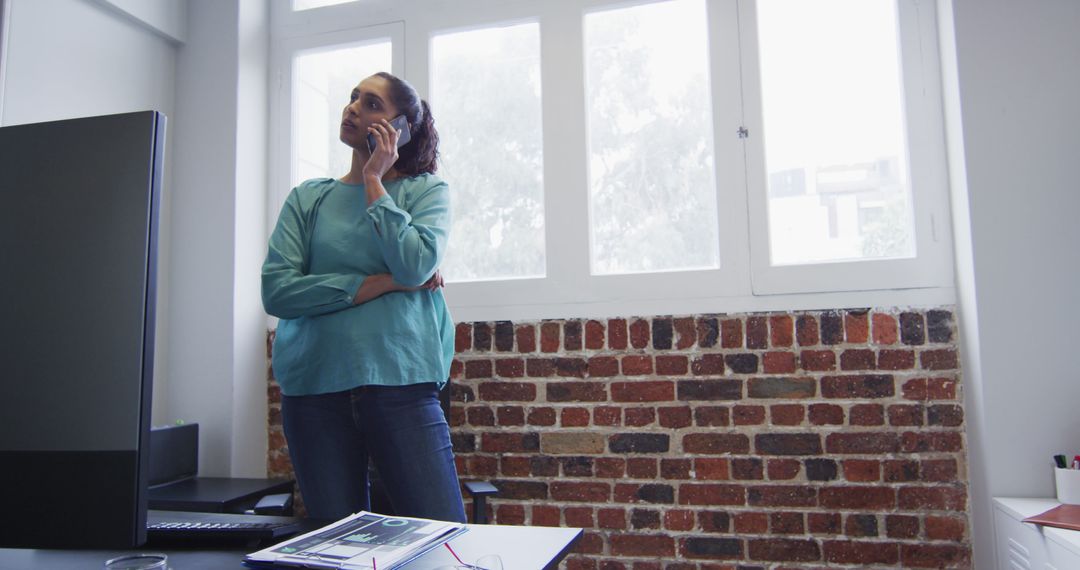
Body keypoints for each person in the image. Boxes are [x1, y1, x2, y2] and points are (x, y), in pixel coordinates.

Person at [261, 71, 464, 523]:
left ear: (401, 130)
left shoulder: (425, 191)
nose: (353, 107)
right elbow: (278, 291)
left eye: (372, 104)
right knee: (339, 546)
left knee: (441, 540)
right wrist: (382, 283)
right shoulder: (307, 199)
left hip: (401, 385)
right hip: (314, 390)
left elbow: (414, 264)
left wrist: (374, 179)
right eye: (354, 97)